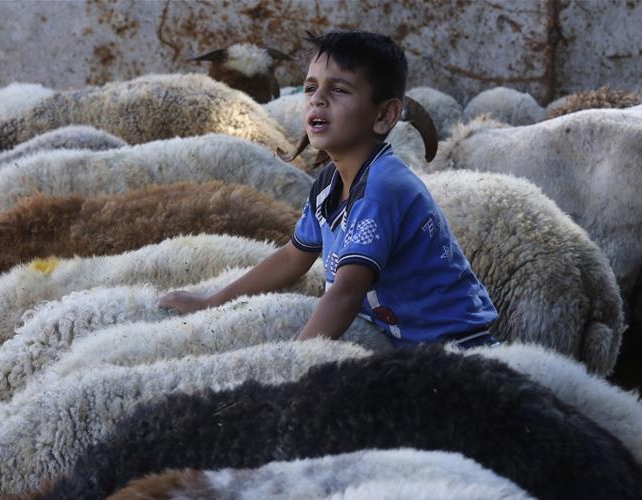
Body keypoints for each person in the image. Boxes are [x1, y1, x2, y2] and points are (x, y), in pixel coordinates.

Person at [160, 30, 498, 349]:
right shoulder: (329, 183)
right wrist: (211, 303)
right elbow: (293, 257)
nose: (317, 100)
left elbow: (347, 292)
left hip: (456, 348)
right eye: (310, 88)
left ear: (384, 115)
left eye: (338, 90)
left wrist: (294, 361)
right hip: (402, 345)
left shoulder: (382, 189)